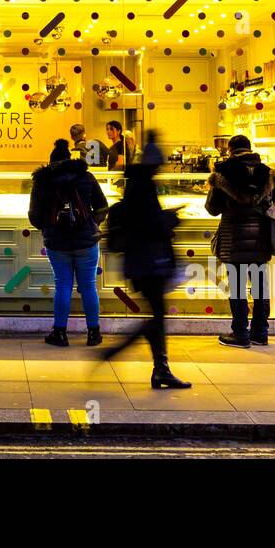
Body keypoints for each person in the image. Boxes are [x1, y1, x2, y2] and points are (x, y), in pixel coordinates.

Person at [103, 136, 191, 389]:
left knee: (158, 313)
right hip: (148, 261)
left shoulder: (136, 184)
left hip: (141, 261)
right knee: (158, 314)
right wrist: (171, 219)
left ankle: (159, 368)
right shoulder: (144, 187)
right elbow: (149, 225)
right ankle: (140, 358)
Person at [28, 138, 108, 346]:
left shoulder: (42, 181)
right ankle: (93, 333)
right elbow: (102, 207)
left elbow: (34, 216)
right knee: (89, 286)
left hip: (57, 243)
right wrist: (92, 224)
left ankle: (60, 333)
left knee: (62, 286)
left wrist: (48, 227)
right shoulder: (86, 177)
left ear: (51, 162)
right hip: (87, 241)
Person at [206, 134, 275, 348]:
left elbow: (212, 208)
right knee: (260, 287)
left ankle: (240, 334)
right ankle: (260, 332)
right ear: (250, 148)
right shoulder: (267, 173)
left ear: (230, 150)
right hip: (260, 238)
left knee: (238, 287)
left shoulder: (222, 172)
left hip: (234, 239)